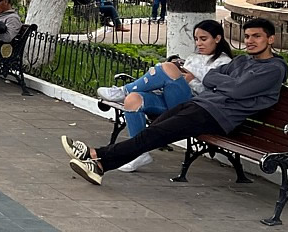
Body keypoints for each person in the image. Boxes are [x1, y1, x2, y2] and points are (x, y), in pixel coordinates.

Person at [62, 17, 287, 185]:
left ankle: (95, 154)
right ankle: (100, 163)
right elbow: (211, 79)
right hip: (202, 105)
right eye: (247, 36)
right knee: (154, 131)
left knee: (154, 134)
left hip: (218, 116)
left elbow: (236, 89)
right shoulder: (242, 62)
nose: (250, 41)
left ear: (271, 39)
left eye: (256, 36)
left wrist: (220, 81)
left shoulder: (274, 69)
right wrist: (219, 80)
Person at [94, 19, 233, 171]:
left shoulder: (224, 63)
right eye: (196, 39)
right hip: (171, 100)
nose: (199, 43)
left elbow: (214, 94)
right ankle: (139, 154)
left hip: (193, 108)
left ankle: (124, 90)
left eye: (203, 39)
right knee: (133, 100)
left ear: (217, 38)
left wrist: (191, 80)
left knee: (167, 67)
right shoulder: (194, 57)